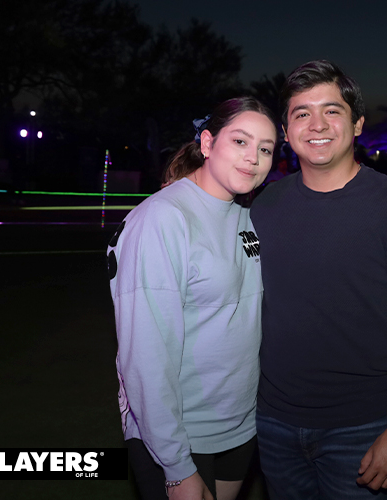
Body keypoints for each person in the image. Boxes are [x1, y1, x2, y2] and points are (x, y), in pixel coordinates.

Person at [250, 60, 387, 499]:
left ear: (357, 124)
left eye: (332, 111)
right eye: (302, 113)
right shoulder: (263, 206)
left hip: (361, 427)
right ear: (286, 131)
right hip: (272, 420)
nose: (317, 125)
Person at [106, 97, 277, 500]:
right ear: (207, 143)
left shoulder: (247, 214)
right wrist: (176, 465)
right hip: (177, 434)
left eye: (266, 149)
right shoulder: (162, 219)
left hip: (239, 424)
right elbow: (145, 354)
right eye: (240, 141)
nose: (253, 158)